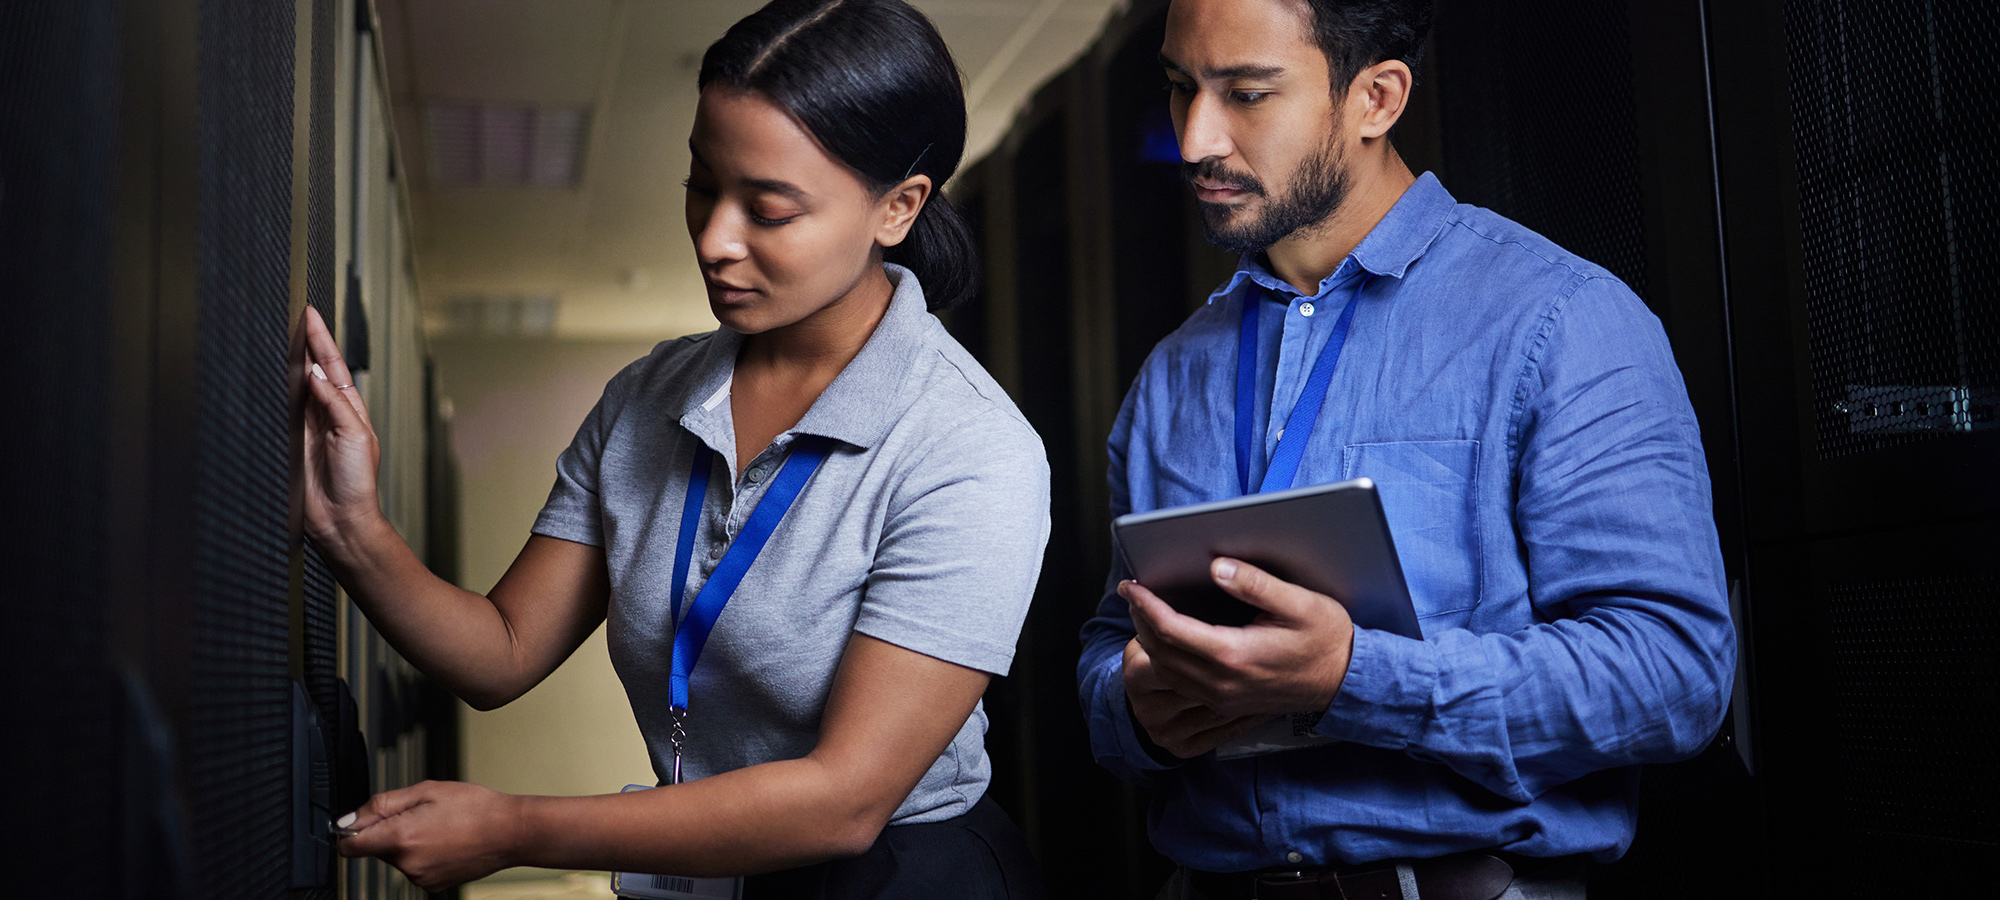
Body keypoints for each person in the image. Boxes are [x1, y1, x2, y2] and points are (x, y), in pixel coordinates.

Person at [300, 1, 1051, 896]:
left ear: (898, 208)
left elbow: (843, 800)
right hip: (709, 864)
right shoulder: (648, 400)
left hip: (902, 876)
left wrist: (518, 826)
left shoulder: (969, 448)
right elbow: (500, 652)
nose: (713, 239)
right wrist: (353, 527)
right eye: (702, 186)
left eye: (767, 210)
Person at [1076, 1, 1737, 898]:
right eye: (1180, 89)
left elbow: (1674, 675)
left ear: (1376, 99)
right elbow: (1108, 651)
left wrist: (1354, 676)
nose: (1195, 139)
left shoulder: (1562, 321)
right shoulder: (1170, 376)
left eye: (1247, 93)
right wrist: (1138, 710)